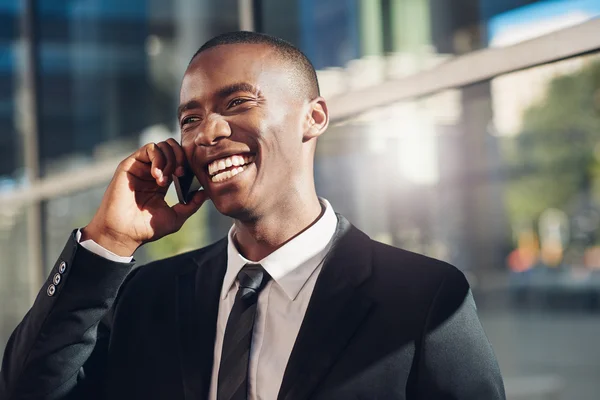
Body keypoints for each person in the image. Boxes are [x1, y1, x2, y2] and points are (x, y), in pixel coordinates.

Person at [0, 31, 505, 400]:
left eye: (238, 101)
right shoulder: (146, 296)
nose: (207, 132)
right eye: (190, 118)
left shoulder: (425, 298)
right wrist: (107, 240)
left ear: (314, 117)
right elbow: (27, 389)